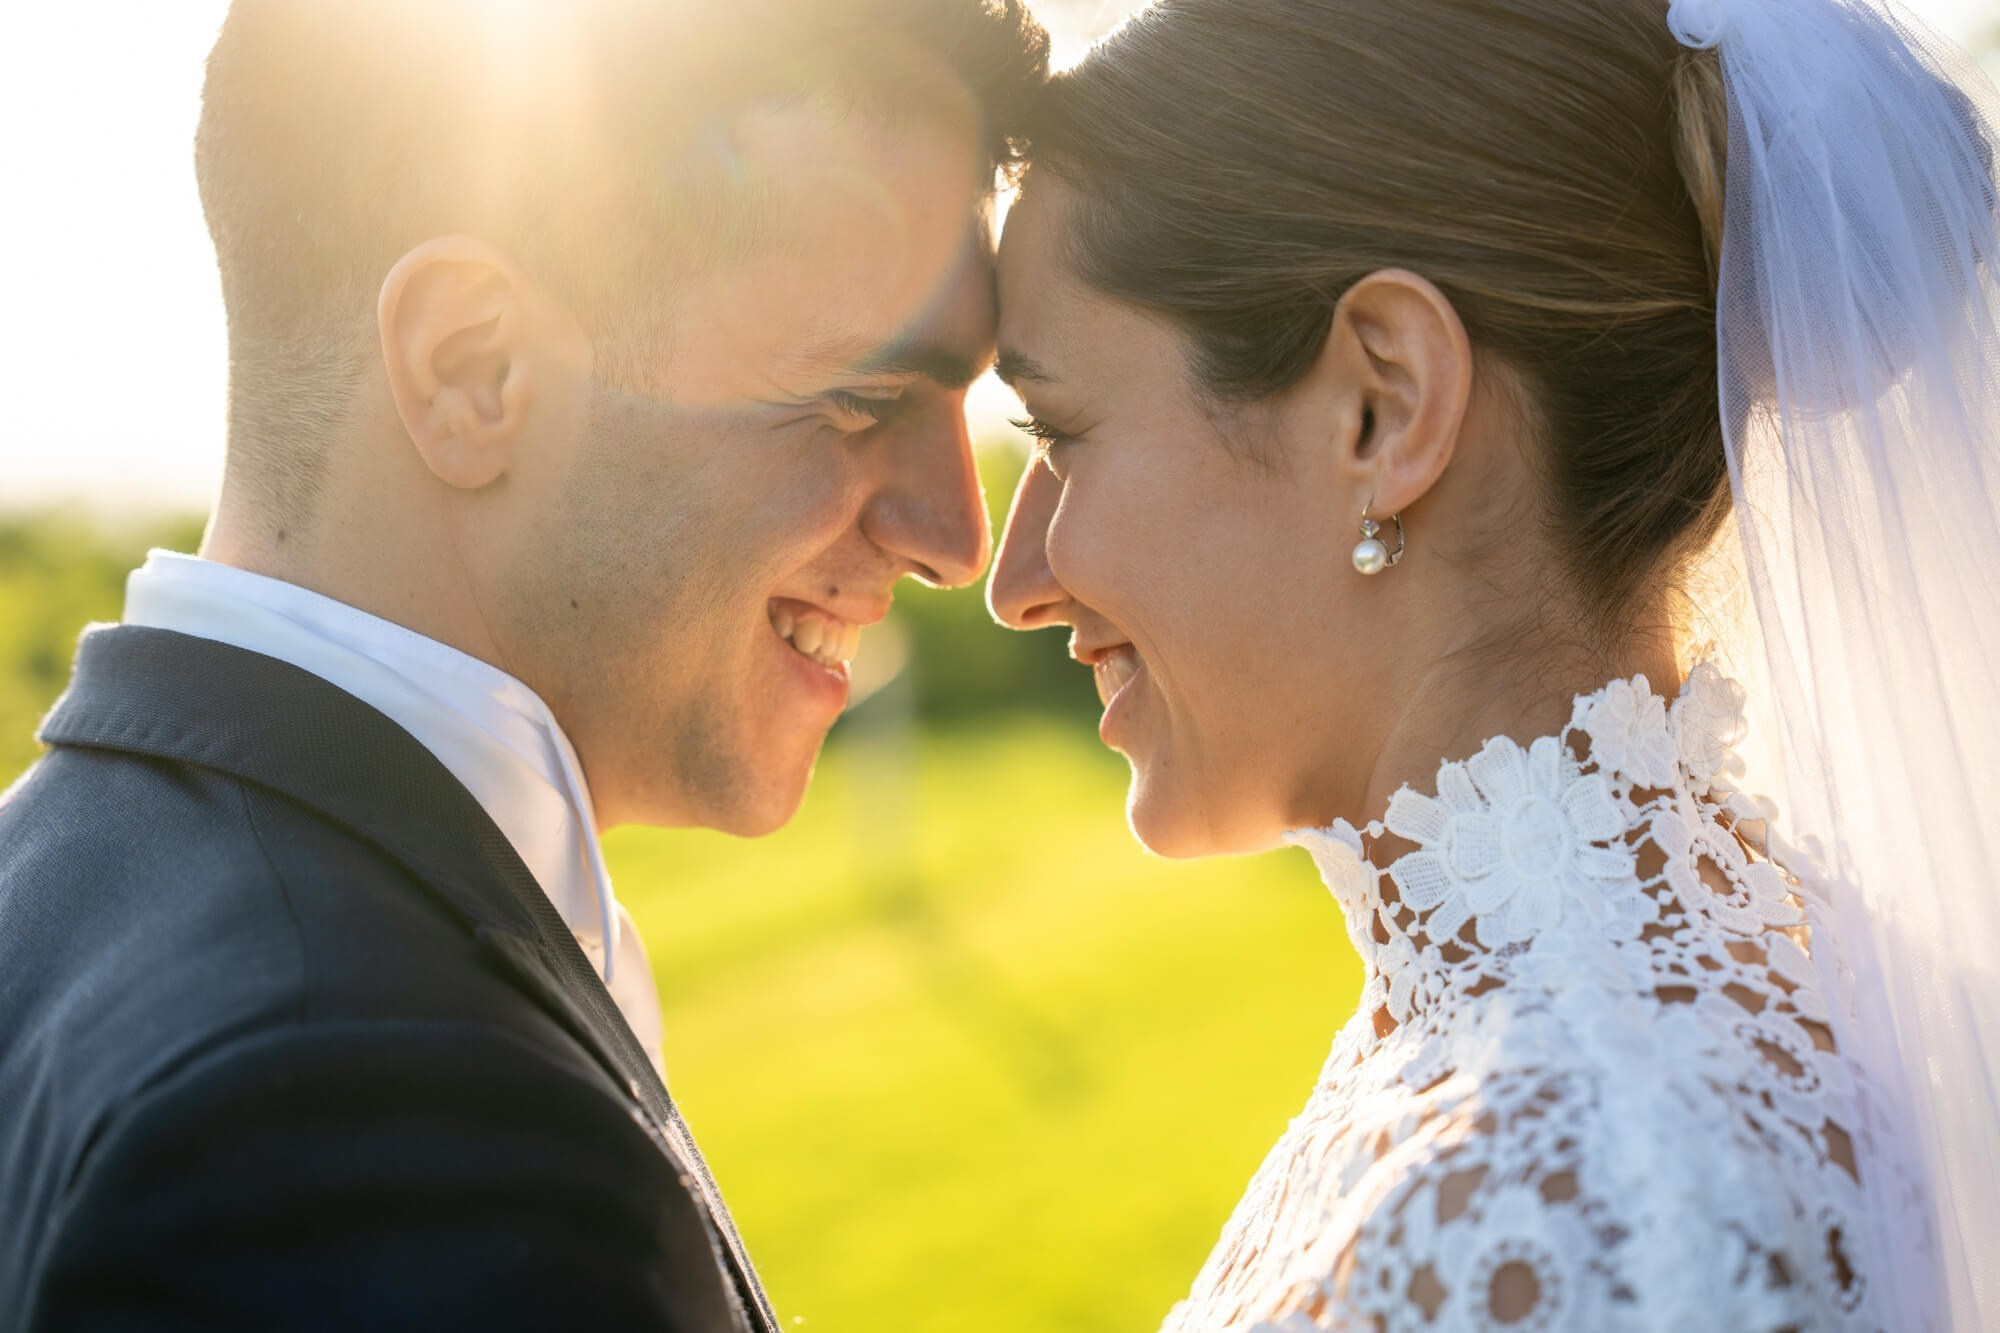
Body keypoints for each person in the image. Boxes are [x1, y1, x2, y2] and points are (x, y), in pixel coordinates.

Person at [0, 1, 1046, 1328]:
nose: (959, 535)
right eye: (861, 397)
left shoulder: (49, 887)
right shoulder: (368, 1127)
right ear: (472, 369)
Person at [989, 0, 1999, 1327]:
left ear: (1384, 403)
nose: (1012, 583)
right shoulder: (1821, 999)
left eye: (1061, 433)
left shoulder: (1555, 1210)